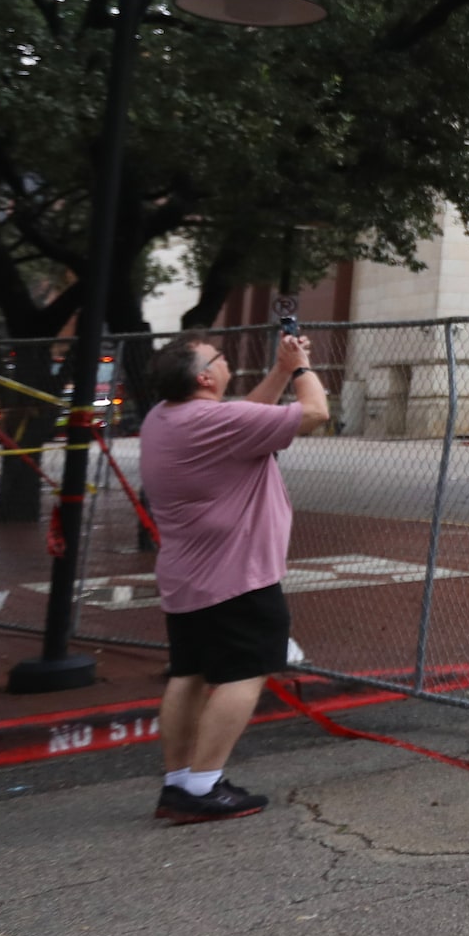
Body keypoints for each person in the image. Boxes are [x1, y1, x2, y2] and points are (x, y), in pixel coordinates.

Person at [139, 334, 329, 824]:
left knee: (190, 674)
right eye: (218, 358)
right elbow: (315, 414)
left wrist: (281, 370)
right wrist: (304, 368)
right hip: (238, 574)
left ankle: (178, 782)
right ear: (204, 377)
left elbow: (246, 416)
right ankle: (204, 786)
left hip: (188, 576)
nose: (225, 362)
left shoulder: (164, 418)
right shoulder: (213, 421)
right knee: (246, 672)